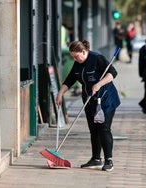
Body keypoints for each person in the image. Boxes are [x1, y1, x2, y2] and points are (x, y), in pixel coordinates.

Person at [56, 40, 120, 172]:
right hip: (89, 101)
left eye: (76, 56)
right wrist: (60, 93)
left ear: (84, 52)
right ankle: (96, 159)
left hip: (105, 100)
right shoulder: (77, 64)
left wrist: (99, 84)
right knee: (94, 130)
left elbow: (112, 73)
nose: (74, 59)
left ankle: (109, 160)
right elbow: (69, 80)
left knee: (104, 129)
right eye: (73, 56)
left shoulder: (97, 59)